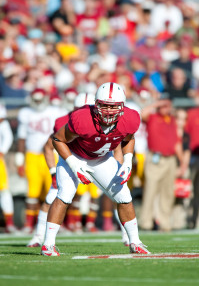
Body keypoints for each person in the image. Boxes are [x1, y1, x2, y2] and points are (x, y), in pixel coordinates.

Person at [41, 82, 150, 256]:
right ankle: (48, 244)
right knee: (65, 194)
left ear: (122, 106)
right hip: (75, 156)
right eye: (104, 105)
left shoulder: (131, 118)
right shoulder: (82, 118)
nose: (108, 110)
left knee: (124, 196)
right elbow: (57, 140)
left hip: (101, 159)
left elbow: (128, 138)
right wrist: (73, 164)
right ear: (96, 104)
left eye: (113, 106)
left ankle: (135, 242)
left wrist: (128, 161)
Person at [27, 92, 96, 246]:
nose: (84, 113)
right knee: (51, 198)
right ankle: (39, 236)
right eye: (80, 109)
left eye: (88, 109)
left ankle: (130, 237)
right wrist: (53, 172)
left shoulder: (102, 120)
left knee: (119, 192)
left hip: (95, 162)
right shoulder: (65, 121)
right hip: (69, 163)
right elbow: (48, 146)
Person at [15, 88, 65, 233]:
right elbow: (22, 138)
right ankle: (29, 225)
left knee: (53, 191)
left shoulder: (55, 111)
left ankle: (56, 223)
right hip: (32, 155)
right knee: (33, 191)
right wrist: (19, 161)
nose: (38, 103)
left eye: (40, 99)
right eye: (35, 100)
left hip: (51, 155)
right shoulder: (26, 113)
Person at [140, 97, 184, 231]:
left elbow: (176, 142)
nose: (167, 108)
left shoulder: (172, 121)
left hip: (170, 159)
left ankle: (165, 222)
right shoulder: (153, 117)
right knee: (150, 190)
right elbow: (143, 113)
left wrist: (181, 162)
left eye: (168, 106)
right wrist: (157, 103)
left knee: (168, 192)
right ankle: (146, 222)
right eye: (164, 106)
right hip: (156, 158)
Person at [0, 104, 17, 233]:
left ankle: (9, 223)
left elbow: (8, 137)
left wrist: (2, 151)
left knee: (4, 191)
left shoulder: (3, 122)